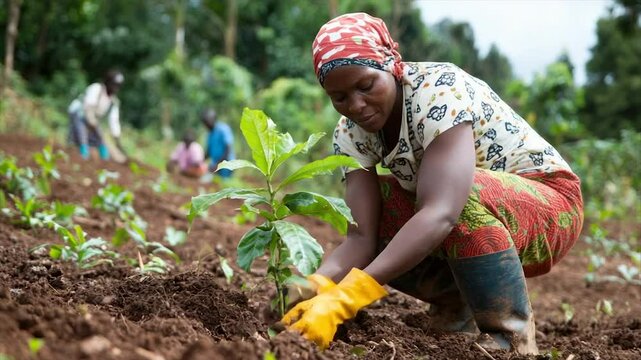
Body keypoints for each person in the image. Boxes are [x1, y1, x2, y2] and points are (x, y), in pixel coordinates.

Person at [281, 13, 584, 355]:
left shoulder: (438, 91)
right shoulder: (351, 133)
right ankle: (458, 307)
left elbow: (441, 212)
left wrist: (348, 298)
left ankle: (510, 340)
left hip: (550, 205)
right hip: (472, 214)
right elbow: (361, 237)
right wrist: (315, 287)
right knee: (381, 204)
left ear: (392, 65)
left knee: (452, 198)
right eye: (340, 97)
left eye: (366, 86)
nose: (356, 105)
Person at [67, 70, 127, 162]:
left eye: (118, 86)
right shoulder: (96, 89)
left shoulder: (113, 102)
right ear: (108, 82)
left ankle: (104, 159)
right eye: (114, 85)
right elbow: (88, 108)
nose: (115, 88)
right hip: (80, 114)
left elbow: (114, 122)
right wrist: (93, 123)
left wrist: (117, 140)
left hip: (93, 119)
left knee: (100, 140)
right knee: (82, 136)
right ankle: (83, 154)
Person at [201, 108, 235, 178]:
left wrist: (218, 165)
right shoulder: (210, 134)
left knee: (223, 184)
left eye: (207, 122)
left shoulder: (223, 129)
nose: (206, 125)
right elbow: (208, 152)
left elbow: (227, 149)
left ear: (213, 119)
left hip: (226, 163)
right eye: (205, 123)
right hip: (215, 163)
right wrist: (200, 161)